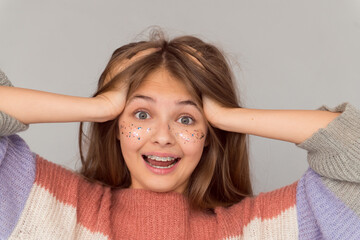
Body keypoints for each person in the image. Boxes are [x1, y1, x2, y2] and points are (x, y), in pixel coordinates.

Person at [0, 32, 359, 239]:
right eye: (141, 115)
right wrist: (101, 107)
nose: (163, 137)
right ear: (115, 130)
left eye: (186, 120)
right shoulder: (45, 203)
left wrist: (225, 115)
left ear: (208, 136)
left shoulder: (259, 228)